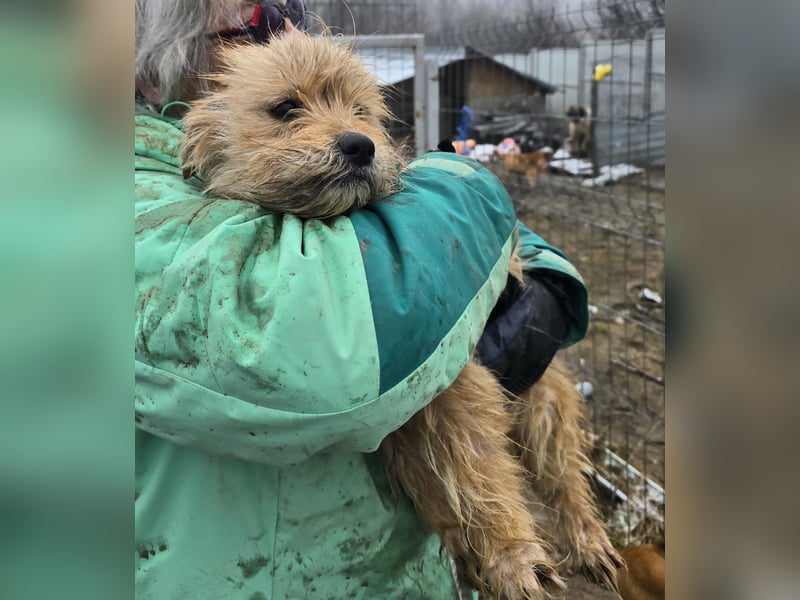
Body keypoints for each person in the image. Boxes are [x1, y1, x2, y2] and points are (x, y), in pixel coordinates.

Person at [134, 1, 589, 598]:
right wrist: (472, 186)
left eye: (290, 9)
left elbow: (478, 236)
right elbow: (310, 347)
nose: (289, 28)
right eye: (262, 24)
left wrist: (549, 273)